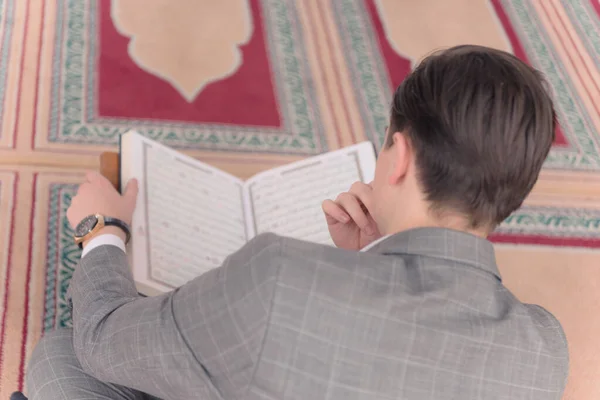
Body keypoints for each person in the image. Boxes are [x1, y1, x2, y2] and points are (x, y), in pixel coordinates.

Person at [24, 45, 568, 400]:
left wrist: (103, 231)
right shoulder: (544, 350)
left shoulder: (278, 278)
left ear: (398, 155)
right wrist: (367, 263)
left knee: (61, 357)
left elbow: (102, 339)